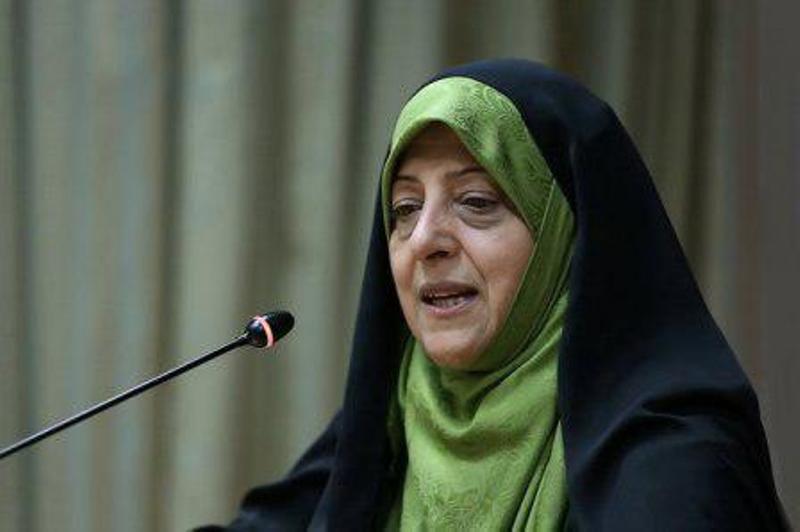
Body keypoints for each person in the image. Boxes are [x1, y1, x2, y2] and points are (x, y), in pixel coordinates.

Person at [203, 59, 788, 530]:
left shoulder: (674, 463)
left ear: (568, 236)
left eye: (477, 202)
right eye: (404, 208)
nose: (424, 240)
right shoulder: (395, 416)